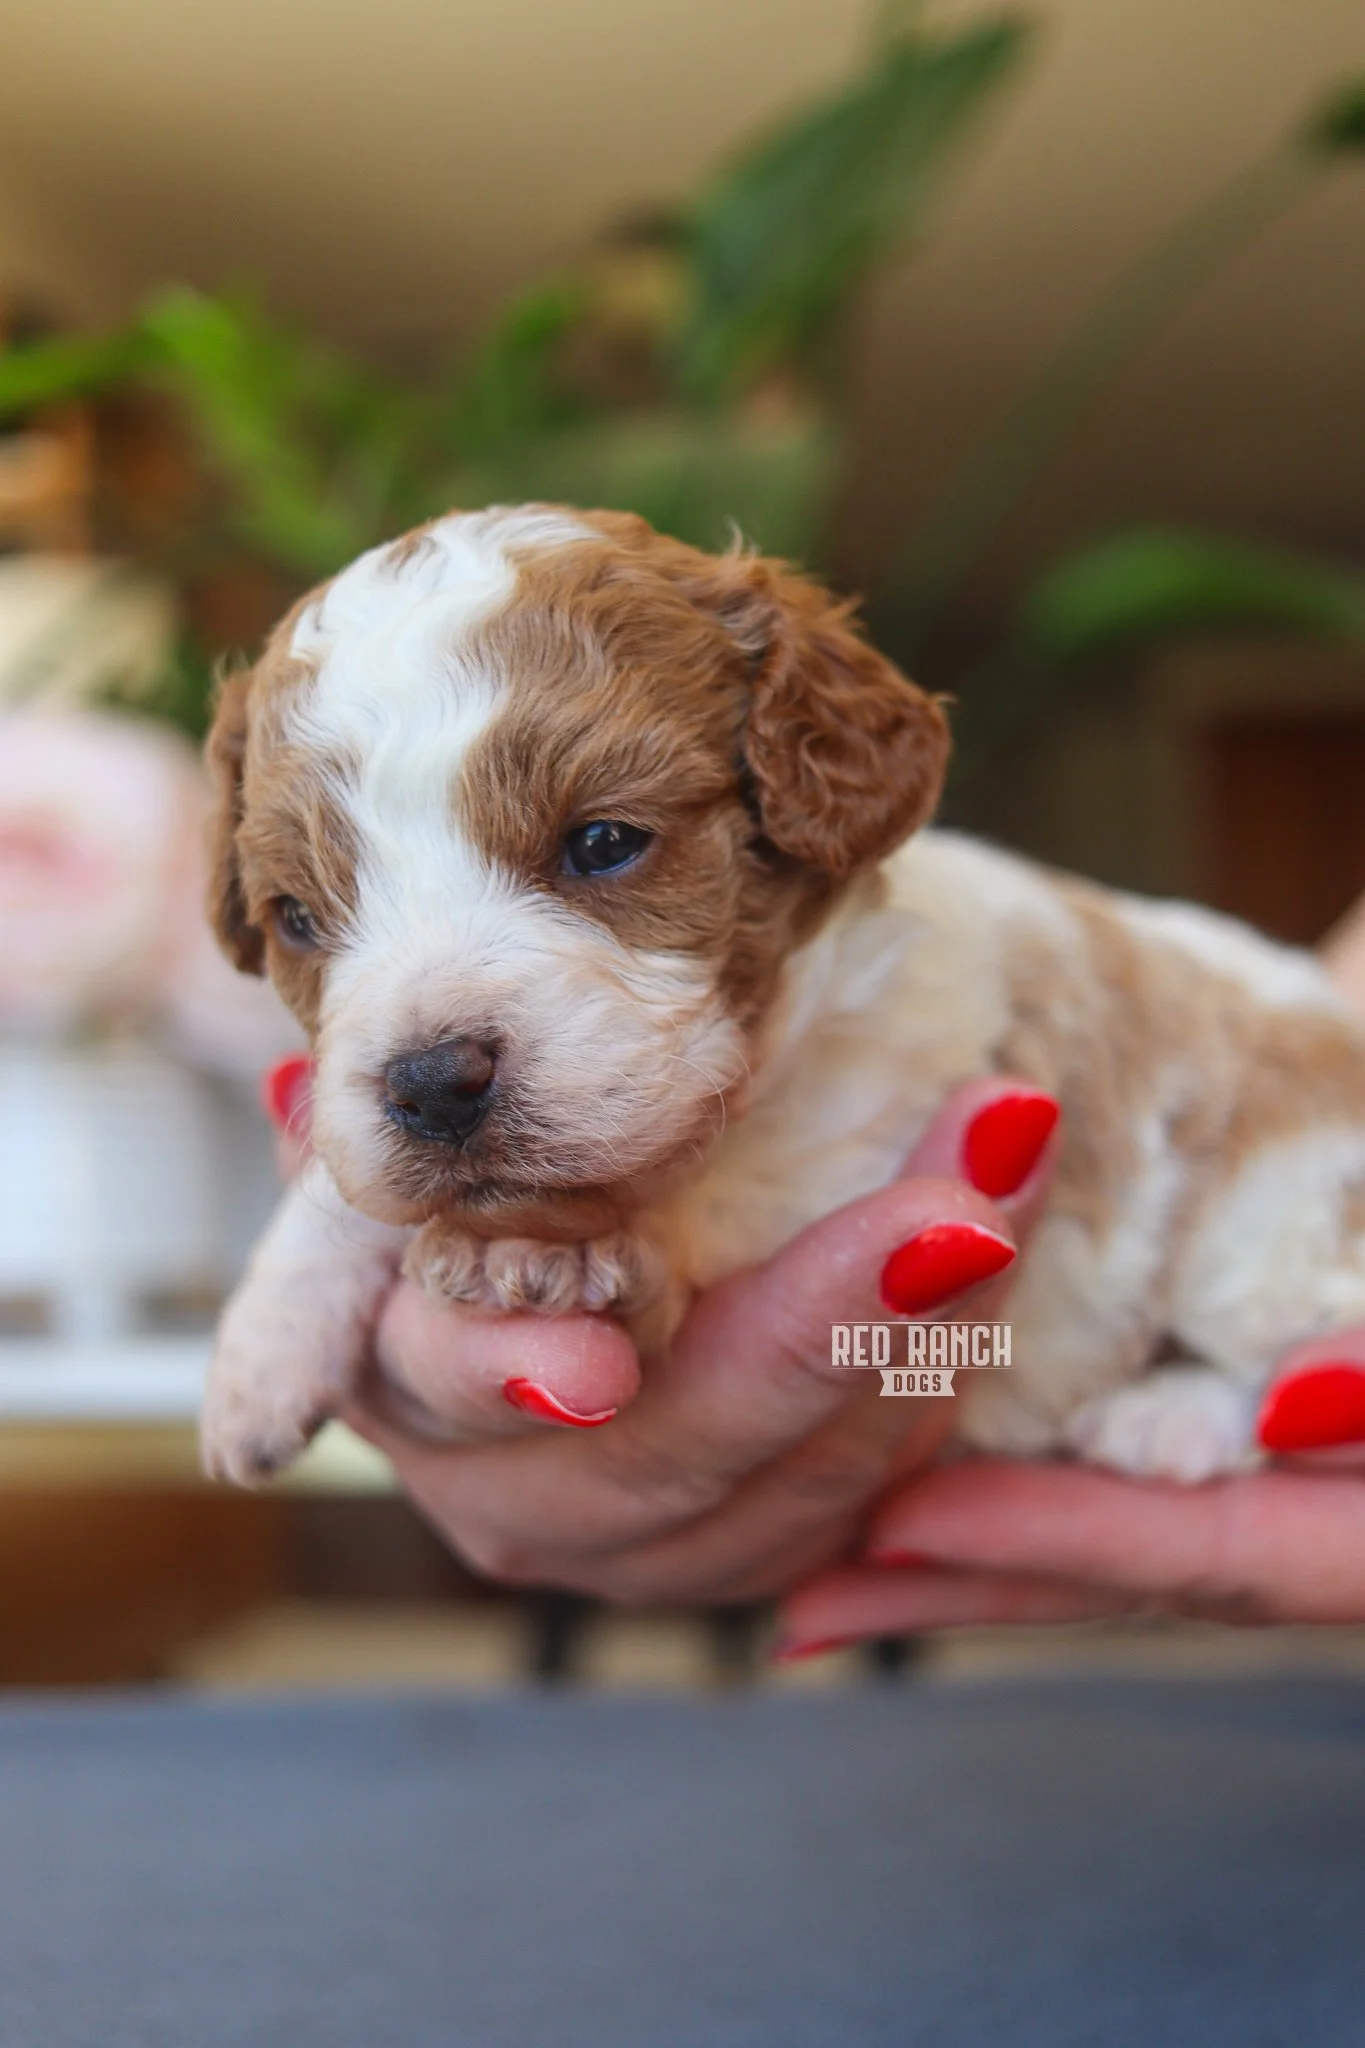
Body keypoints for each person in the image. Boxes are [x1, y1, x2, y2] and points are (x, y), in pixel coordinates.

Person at [257, 903, 1365, 1645]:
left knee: (1251, 1284)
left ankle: (1249, 1379)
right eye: (308, 917)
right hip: (1030, 1349)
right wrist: (319, 1253)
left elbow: (913, 1323)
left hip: (1234, 1211)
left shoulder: (903, 960)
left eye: (600, 848)